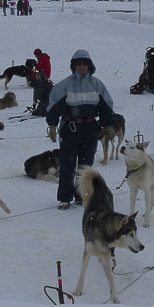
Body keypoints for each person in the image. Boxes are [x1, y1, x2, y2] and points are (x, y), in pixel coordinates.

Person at [45, 49, 114, 210]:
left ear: (89, 65)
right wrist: (53, 125)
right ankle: (65, 198)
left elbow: (106, 106)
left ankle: (81, 195)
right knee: (68, 164)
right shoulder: (65, 85)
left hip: (90, 128)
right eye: (78, 64)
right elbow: (53, 105)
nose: (81, 67)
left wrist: (108, 124)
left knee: (86, 165)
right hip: (70, 128)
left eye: (84, 64)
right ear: (73, 66)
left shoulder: (97, 85)